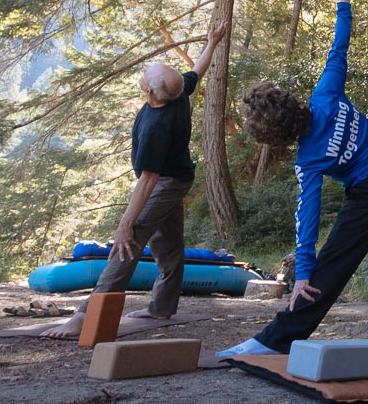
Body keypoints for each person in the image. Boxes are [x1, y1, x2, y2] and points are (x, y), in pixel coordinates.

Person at [216, 0, 368, 357]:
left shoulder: (308, 159)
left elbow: (306, 219)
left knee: (334, 263)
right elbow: (338, 48)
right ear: (292, 102)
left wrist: (303, 273)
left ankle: (276, 341)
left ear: (276, 138)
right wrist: (344, 2)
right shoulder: (326, 94)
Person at [42, 18, 229, 338]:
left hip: (166, 183)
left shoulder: (156, 127)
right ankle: (161, 307)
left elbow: (148, 181)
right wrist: (212, 42)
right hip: (178, 179)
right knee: (168, 245)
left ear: (149, 91)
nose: (144, 73)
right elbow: (198, 70)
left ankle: (86, 315)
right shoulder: (179, 91)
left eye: (146, 74)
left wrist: (125, 223)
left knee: (127, 245)